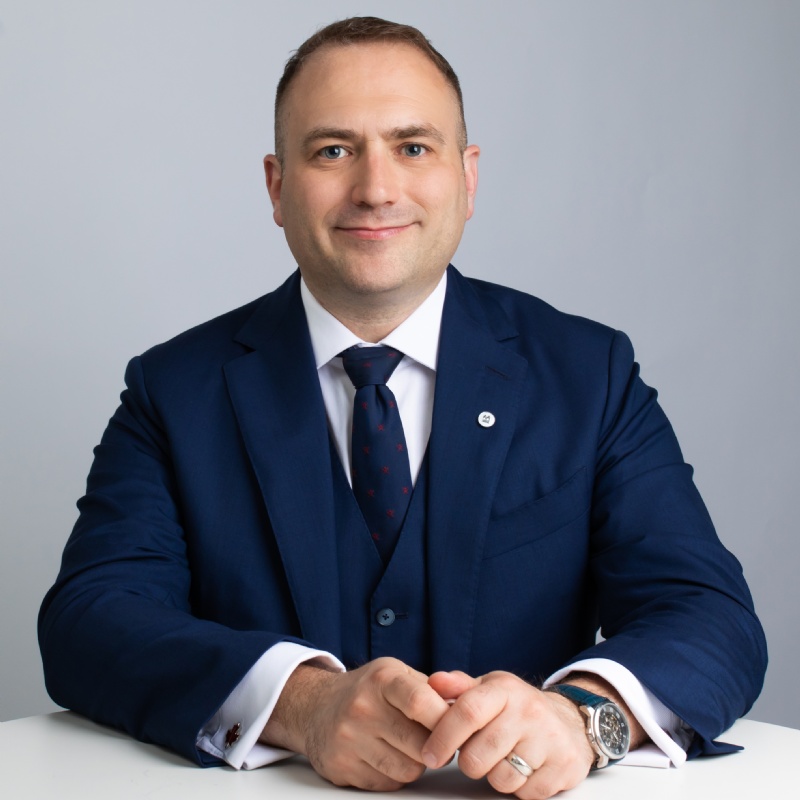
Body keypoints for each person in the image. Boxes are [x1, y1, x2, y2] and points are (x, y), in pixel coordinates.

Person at [39, 16, 766, 800]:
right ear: (277, 187)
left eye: (413, 147)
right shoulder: (174, 390)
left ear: (468, 177)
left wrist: (582, 716)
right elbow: (90, 622)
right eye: (332, 151)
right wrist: (303, 705)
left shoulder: (590, 376)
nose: (376, 189)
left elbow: (709, 615)